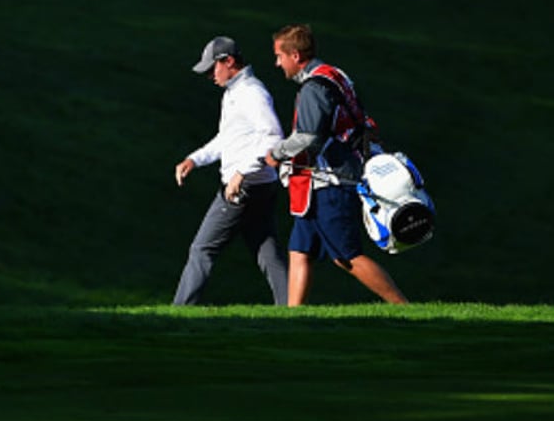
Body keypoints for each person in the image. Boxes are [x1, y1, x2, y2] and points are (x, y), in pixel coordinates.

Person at [263, 24, 408, 306]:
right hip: (323, 182)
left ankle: (403, 306)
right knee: (299, 250)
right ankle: (291, 319)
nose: (277, 63)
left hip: (330, 181)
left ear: (295, 55)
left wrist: (276, 153)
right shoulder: (335, 75)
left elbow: (308, 138)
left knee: (347, 257)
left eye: (279, 56)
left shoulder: (312, 88)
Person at [172, 36, 287, 306]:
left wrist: (241, 173)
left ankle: (179, 310)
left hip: (243, 188)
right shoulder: (235, 93)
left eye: (213, 68)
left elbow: (273, 138)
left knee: (202, 249)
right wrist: (195, 159)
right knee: (268, 253)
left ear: (229, 62)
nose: (210, 75)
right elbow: (227, 139)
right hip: (260, 186)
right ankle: (291, 308)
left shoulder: (251, 93)